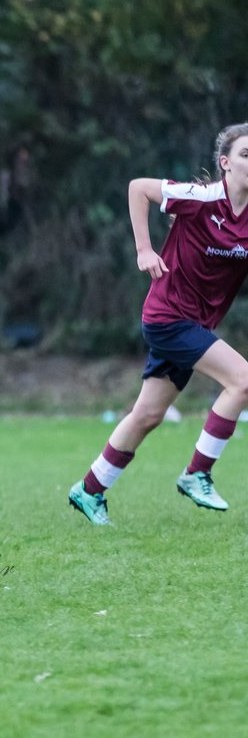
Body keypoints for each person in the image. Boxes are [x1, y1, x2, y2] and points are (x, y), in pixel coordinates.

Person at [68, 123, 248, 525]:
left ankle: (89, 490)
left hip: (194, 324)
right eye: (245, 155)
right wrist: (144, 249)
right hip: (168, 318)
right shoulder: (202, 199)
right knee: (243, 380)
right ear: (225, 164)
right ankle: (197, 473)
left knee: (148, 415)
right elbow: (138, 188)